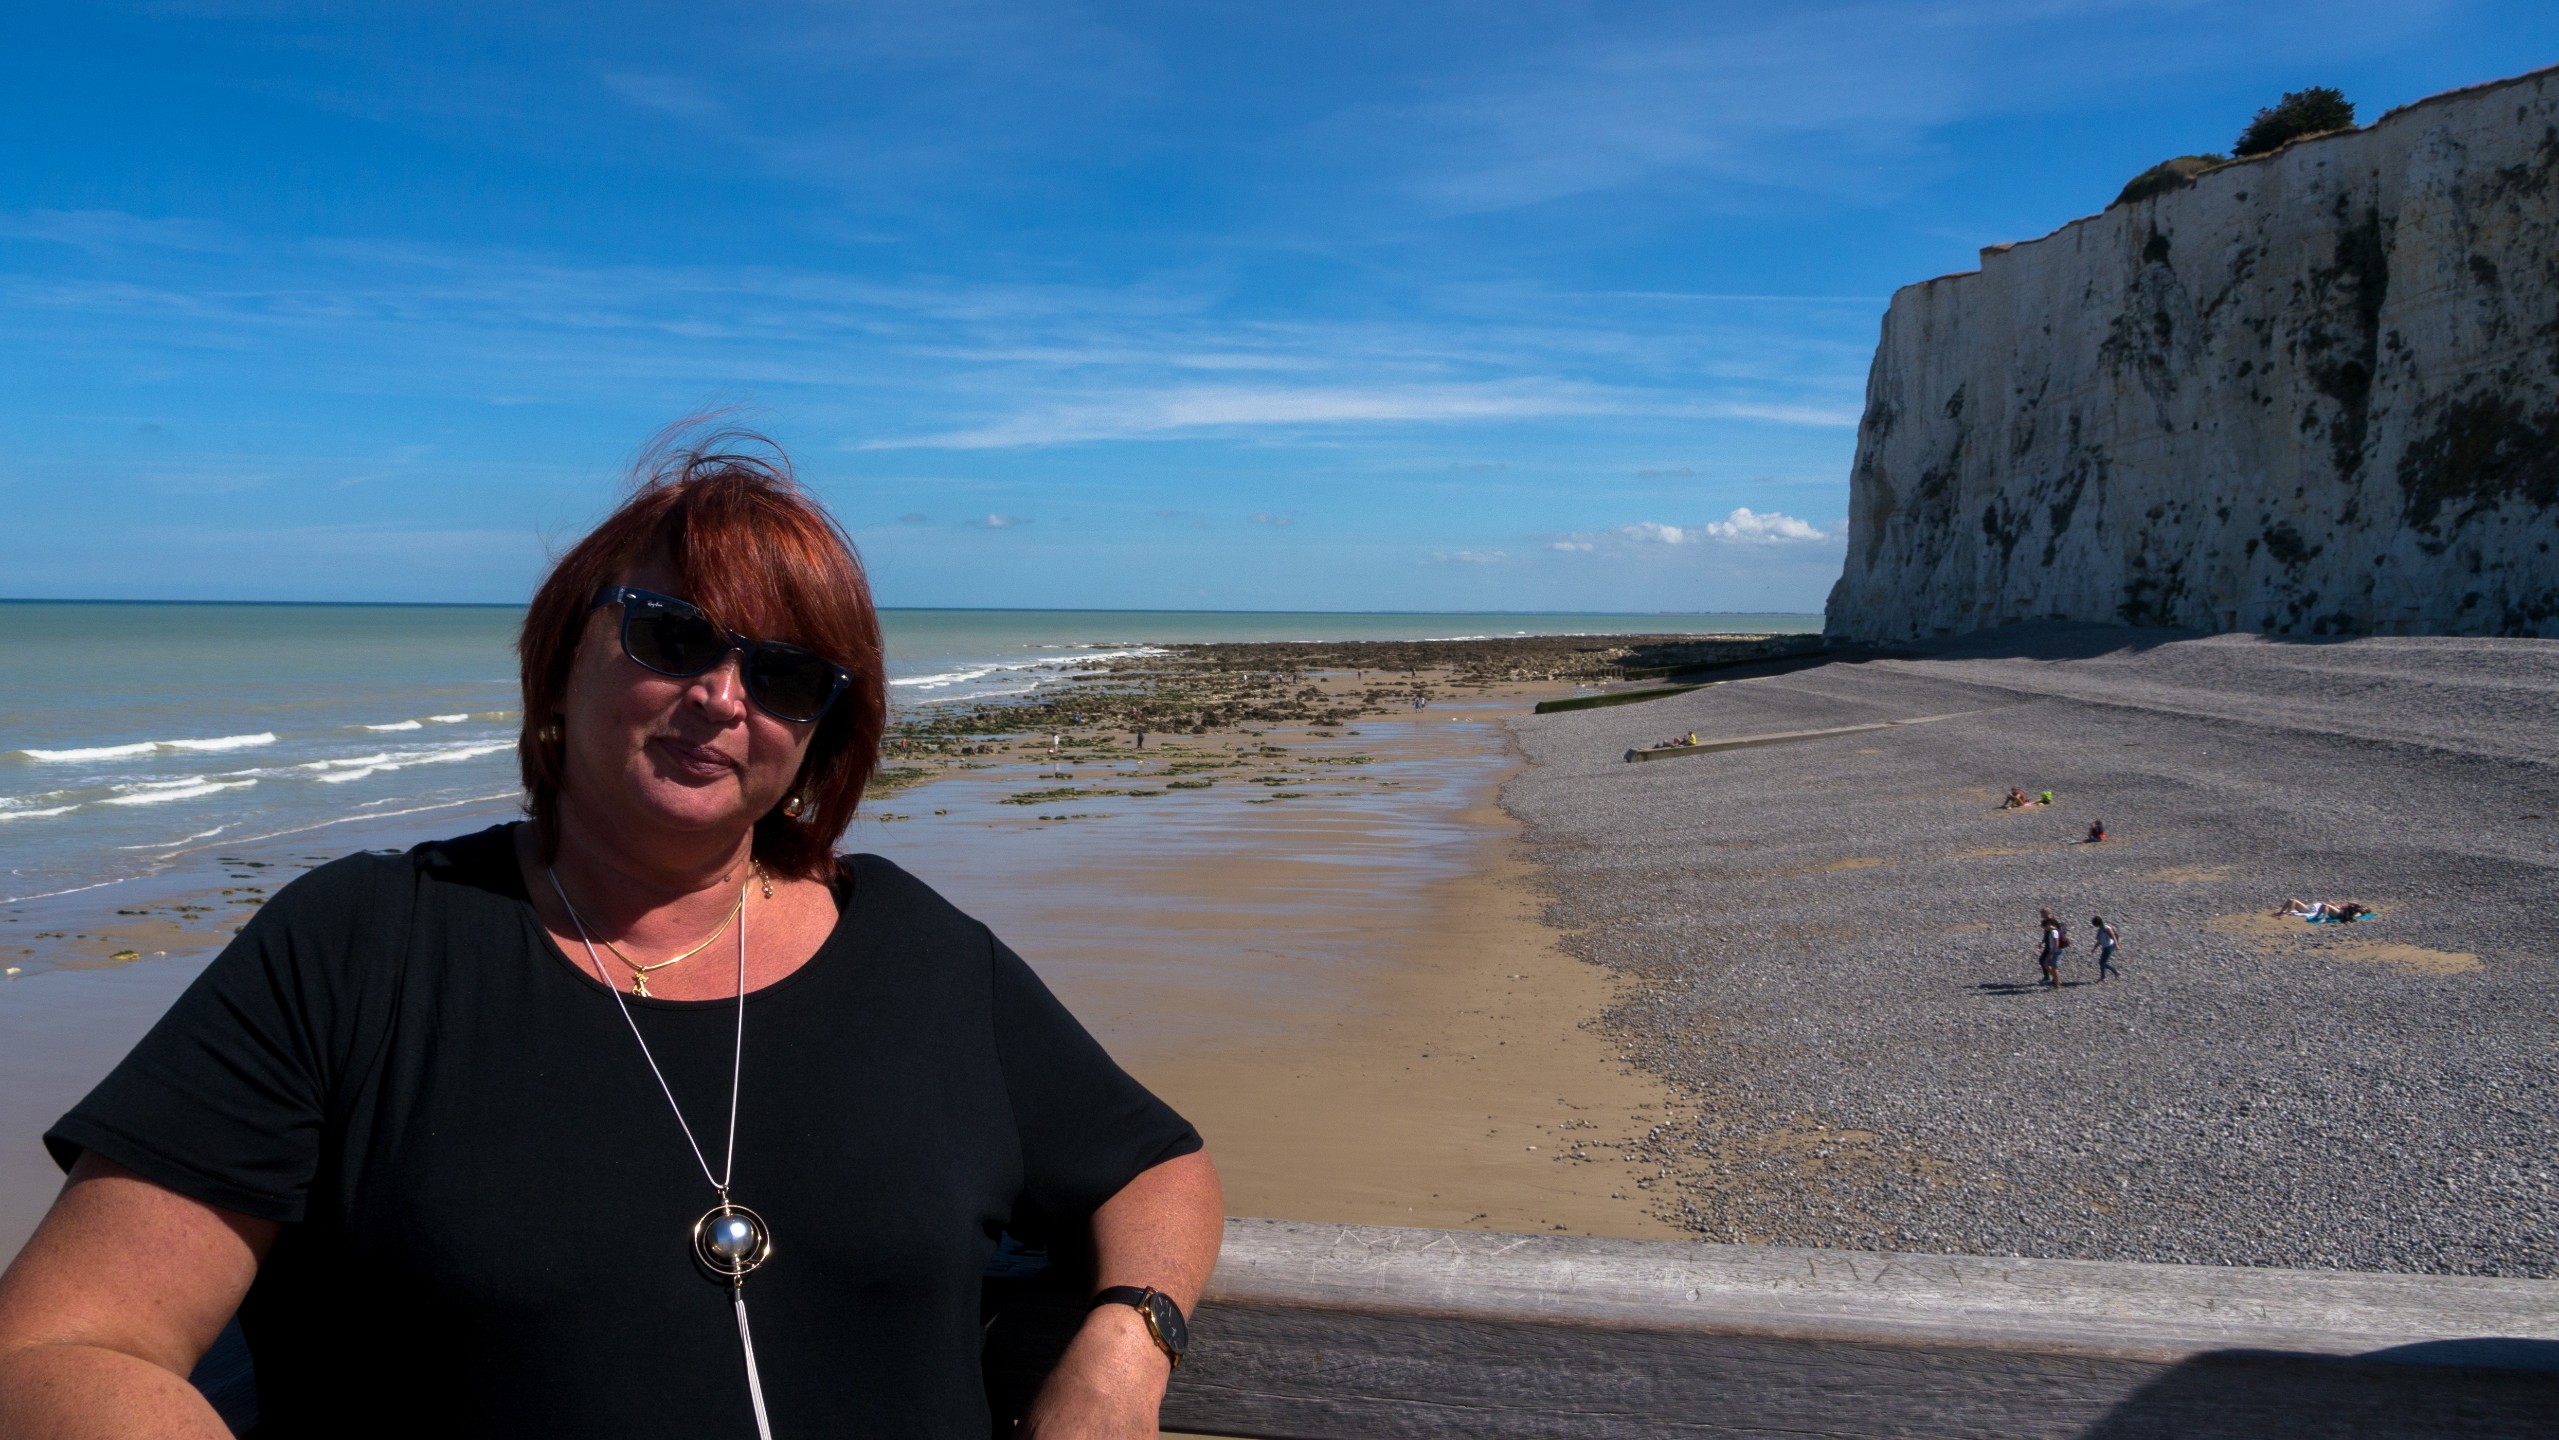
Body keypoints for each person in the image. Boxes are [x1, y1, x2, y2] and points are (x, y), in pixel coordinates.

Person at [0, 432, 1223, 1439]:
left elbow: (1157, 1165)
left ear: (819, 739)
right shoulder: (360, 948)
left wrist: (1126, 1350)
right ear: (562, 657)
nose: (722, 697)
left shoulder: (918, 951)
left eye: (786, 675)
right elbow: (61, 1347)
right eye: (672, 635)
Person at [2275, 898, 2373, 922]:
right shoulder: (2353, 907)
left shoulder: (2358, 912)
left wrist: (2361, 910)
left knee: (2325, 905)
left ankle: (2323, 918)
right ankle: (2281, 911)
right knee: (2291, 900)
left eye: (2365, 909)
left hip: (2339, 914)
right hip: (2314, 907)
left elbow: (2355, 916)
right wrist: (2333, 904)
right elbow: (2349, 902)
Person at [2037, 908, 2064, 988]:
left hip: (2051, 947)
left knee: (2045, 962)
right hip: (2050, 945)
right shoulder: (2047, 922)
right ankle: (2054, 979)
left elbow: (2055, 936)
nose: (2041, 914)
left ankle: (2053, 979)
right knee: (2045, 962)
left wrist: (2052, 951)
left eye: (2042, 913)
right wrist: (2043, 942)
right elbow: (2046, 934)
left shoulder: (2052, 922)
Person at [2092, 916, 2118, 981]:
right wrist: (2095, 948)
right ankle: (2105, 977)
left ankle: (2113, 973)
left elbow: (2113, 936)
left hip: (2109, 947)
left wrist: (2116, 945)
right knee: (2102, 962)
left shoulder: (2106, 928)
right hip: (2105, 947)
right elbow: (2100, 941)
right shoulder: (2100, 929)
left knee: (2102, 962)